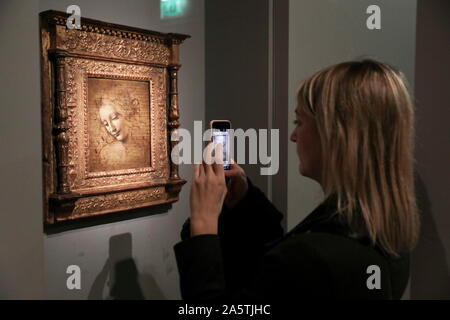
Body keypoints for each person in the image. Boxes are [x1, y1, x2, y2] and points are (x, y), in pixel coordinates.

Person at [173, 59, 420, 300]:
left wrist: (203, 224)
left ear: (335, 135)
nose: (293, 136)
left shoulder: (312, 257)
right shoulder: (388, 235)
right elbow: (275, 263)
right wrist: (247, 201)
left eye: (299, 122)